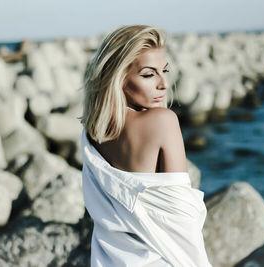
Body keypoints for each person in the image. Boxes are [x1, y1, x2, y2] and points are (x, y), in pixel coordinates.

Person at [79, 25, 212, 267]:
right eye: (149, 74)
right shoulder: (163, 122)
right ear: (117, 77)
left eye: (165, 71)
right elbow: (182, 218)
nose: (163, 84)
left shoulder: (91, 134)